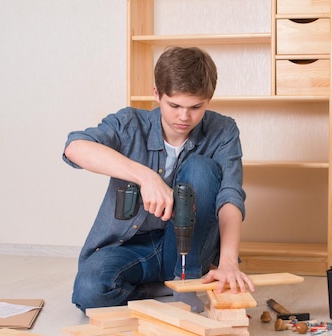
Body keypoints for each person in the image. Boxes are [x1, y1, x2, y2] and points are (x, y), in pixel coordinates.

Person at [63, 46, 254, 313]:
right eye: (174, 105)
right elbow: (75, 147)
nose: (184, 117)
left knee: (200, 168)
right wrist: (146, 177)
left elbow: (230, 197)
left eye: (196, 107)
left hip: (189, 250)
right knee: (90, 292)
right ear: (157, 94)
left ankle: (184, 278)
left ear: (209, 99)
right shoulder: (129, 123)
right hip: (131, 247)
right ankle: (160, 289)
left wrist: (229, 262)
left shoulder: (223, 130)